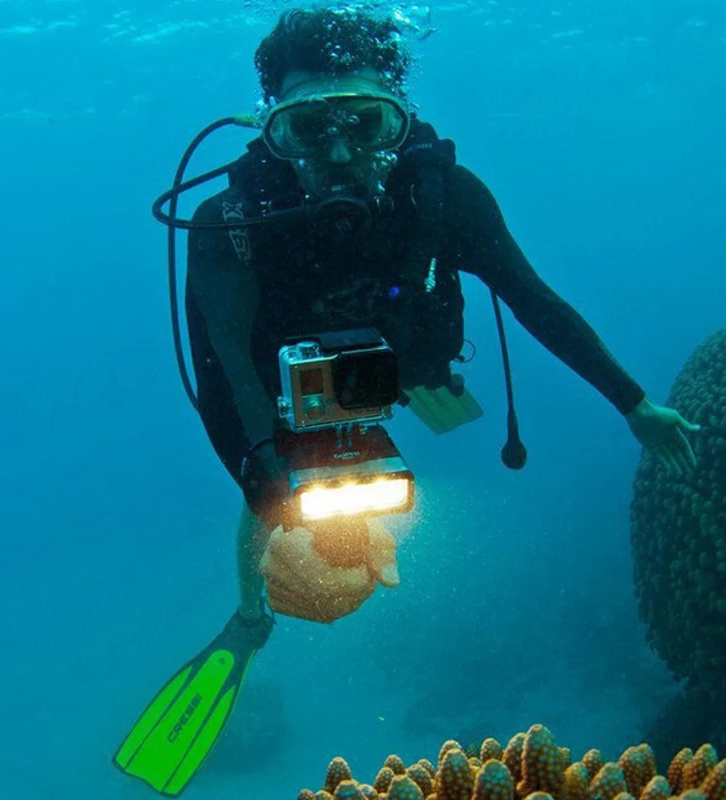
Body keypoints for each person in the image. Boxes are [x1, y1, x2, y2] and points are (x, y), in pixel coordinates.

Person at [113, 7, 699, 795]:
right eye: (308, 129)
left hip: (411, 370)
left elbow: (534, 300)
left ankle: (339, 541)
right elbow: (222, 375)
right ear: (269, 128)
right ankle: (251, 621)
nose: (341, 150)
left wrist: (633, 403)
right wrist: (269, 487)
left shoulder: (442, 195)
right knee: (285, 492)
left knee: (351, 487)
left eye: (364, 121)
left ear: (399, 114)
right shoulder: (233, 223)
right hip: (286, 405)